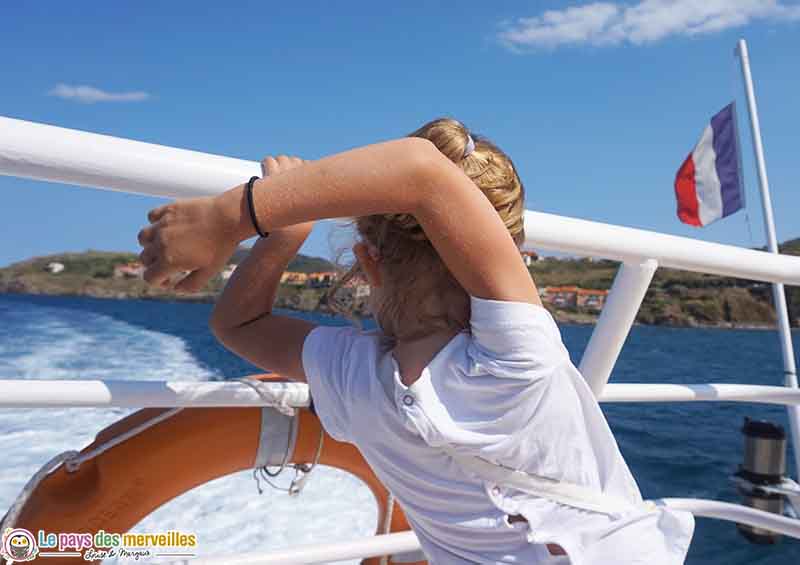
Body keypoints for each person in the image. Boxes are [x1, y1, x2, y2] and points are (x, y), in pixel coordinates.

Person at [137, 118, 694, 564]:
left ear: (366, 263)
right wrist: (232, 215)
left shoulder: (354, 375)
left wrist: (281, 234)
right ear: (509, 256)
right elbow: (420, 173)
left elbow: (239, 326)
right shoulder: (517, 356)